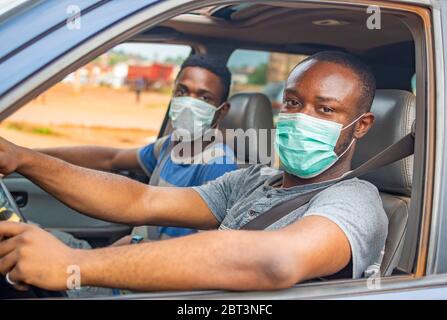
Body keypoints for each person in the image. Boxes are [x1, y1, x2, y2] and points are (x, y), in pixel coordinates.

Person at [0, 51, 388, 294]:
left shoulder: (354, 200)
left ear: (362, 124)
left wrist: (73, 266)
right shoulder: (253, 180)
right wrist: (26, 159)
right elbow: (141, 200)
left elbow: (275, 260)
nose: (301, 117)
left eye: (325, 110)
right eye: (292, 102)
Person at [38, 54, 238, 243]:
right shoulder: (170, 145)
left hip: (154, 272)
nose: (188, 104)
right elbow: (112, 158)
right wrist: (35, 157)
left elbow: (209, 253)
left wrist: (134, 247)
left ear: (222, 110)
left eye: (204, 98)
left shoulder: (218, 164)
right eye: (182, 92)